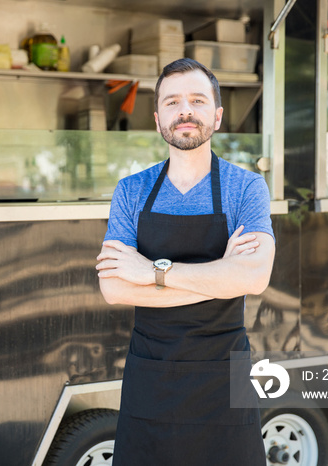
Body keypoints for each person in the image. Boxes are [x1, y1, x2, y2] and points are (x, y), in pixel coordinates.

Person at [96, 58, 274, 465]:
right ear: (158, 119)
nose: (185, 111)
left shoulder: (245, 187)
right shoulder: (132, 191)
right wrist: (220, 277)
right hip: (151, 377)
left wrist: (151, 272)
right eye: (173, 102)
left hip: (224, 375)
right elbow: (114, 288)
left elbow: (256, 276)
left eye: (197, 99)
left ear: (217, 114)